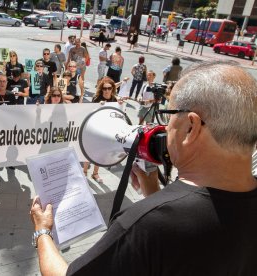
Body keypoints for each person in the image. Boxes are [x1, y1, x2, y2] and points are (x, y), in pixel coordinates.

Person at [30, 60, 257, 275]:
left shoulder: (149, 224)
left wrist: (43, 231)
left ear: (192, 127)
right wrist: (154, 194)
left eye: (169, 115)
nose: (165, 128)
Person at [83, 77, 121, 183]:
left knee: (100, 153)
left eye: (109, 88)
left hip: (107, 130)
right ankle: (84, 172)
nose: (107, 90)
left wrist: (121, 104)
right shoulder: (96, 98)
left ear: (112, 88)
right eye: (105, 88)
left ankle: (95, 173)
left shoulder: (115, 100)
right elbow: (90, 112)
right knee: (89, 152)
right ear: (102, 89)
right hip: (95, 128)